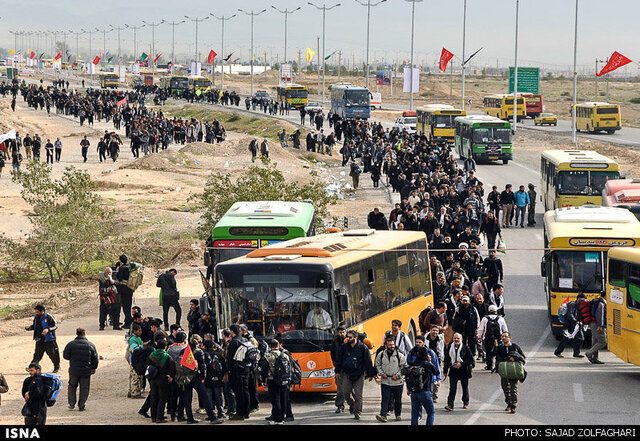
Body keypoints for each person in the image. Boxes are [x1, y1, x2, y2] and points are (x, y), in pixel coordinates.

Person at [334, 329, 375, 420]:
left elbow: (368, 361)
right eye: (347, 337)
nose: (348, 339)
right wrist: (337, 372)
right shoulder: (344, 347)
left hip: (359, 374)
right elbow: (338, 360)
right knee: (346, 393)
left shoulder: (363, 348)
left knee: (358, 394)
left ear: (355, 338)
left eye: (350, 337)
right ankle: (352, 405)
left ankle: (357, 412)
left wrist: (371, 374)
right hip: (347, 374)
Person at [63, 328, 99, 411]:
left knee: (72, 386)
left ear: (76, 334)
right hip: (86, 371)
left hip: (74, 370)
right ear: (84, 334)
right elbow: (95, 358)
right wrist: (94, 368)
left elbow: (66, 356)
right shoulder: (90, 345)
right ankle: (81, 405)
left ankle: (71, 404)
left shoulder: (70, 344)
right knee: (84, 388)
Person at [405, 344, 440, 425]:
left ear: (418, 354)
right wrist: (430, 361)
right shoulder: (427, 364)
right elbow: (436, 372)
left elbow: (408, 362)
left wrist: (408, 389)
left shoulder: (413, 363)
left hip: (414, 391)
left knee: (414, 414)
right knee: (431, 412)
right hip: (425, 391)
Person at [374, 336, 407, 422]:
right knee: (385, 398)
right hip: (385, 381)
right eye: (389, 345)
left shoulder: (400, 355)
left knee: (398, 399)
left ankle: (398, 414)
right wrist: (381, 373)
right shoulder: (381, 355)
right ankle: (383, 415)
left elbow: (403, 367)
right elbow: (377, 364)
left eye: (393, 344)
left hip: (397, 382)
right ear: (386, 345)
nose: (392, 346)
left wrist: (398, 375)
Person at [494, 332, 526, 413]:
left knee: (513, 388)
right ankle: (508, 403)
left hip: (513, 370)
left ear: (509, 338)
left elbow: (522, 357)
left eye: (505, 336)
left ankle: (513, 405)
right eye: (502, 336)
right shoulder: (501, 347)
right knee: (505, 387)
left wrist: (514, 358)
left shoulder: (514, 347)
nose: (504, 338)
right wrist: (495, 347)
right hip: (504, 371)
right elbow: (495, 356)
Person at [225, 324, 252, 421]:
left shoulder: (234, 342)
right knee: (246, 390)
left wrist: (228, 370)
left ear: (232, 331)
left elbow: (230, 358)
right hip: (246, 369)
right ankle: (247, 412)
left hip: (236, 370)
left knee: (238, 392)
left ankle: (240, 413)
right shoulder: (245, 340)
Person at [443, 332, 475, 411]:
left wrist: (461, 364)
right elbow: (447, 359)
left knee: (465, 387)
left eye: (458, 338)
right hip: (453, 371)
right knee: (452, 388)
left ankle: (465, 402)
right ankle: (450, 405)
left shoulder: (466, 348)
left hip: (464, 371)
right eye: (455, 338)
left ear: (461, 339)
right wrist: (445, 370)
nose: (456, 340)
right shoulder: (449, 347)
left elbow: (471, 361)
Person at [262, 339, 290, 425]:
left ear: (270, 346)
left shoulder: (268, 356)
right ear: (278, 345)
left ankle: (277, 419)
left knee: (275, 400)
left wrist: (263, 380)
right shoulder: (285, 355)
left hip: (272, 380)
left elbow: (264, 369)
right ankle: (282, 418)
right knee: (283, 399)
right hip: (284, 380)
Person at [25, 304, 61, 373]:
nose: (36, 313)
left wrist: (48, 329)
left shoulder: (48, 317)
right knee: (37, 355)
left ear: (42, 311)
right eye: (36, 312)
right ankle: (32, 368)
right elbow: (34, 326)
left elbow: (55, 326)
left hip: (49, 340)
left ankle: (57, 367)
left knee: (53, 354)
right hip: (39, 340)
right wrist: (30, 328)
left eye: (38, 312)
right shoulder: (36, 317)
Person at [148, 339, 176, 423]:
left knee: (154, 397)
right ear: (165, 347)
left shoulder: (152, 355)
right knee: (162, 399)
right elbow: (172, 368)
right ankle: (159, 417)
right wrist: (171, 376)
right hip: (163, 379)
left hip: (153, 379)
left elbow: (148, 366)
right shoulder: (167, 357)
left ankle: (153, 416)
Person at [477, 305, 509, 370]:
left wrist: (479, 337)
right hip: (498, 338)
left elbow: (481, 329)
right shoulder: (500, 318)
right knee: (498, 352)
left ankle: (489, 366)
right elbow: (505, 329)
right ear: (496, 311)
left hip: (488, 338)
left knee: (488, 352)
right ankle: (497, 366)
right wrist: (505, 337)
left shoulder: (485, 318)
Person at [554, 294, 586, 359]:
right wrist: (575, 321)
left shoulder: (579, 306)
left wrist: (580, 321)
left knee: (580, 338)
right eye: (582, 300)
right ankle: (558, 351)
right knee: (566, 338)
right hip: (570, 324)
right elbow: (570, 315)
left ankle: (576, 353)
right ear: (578, 298)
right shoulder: (572, 304)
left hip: (576, 325)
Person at [586, 293, 607, 364]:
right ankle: (589, 353)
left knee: (595, 341)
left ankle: (594, 358)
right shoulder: (601, 303)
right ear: (605, 296)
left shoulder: (596, 301)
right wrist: (600, 325)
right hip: (597, 324)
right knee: (602, 341)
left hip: (592, 323)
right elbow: (600, 315)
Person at [330, 326, 347, 413]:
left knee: (351, 390)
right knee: (340, 389)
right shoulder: (335, 342)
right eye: (340, 332)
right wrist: (336, 366)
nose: (341, 334)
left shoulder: (349, 341)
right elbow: (332, 354)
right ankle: (340, 405)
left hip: (349, 369)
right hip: (339, 369)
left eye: (343, 332)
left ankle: (354, 406)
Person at [127, 323, 146, 400]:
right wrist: (142, 347)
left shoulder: (137, 338)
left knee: (133, 376)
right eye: (139, 330)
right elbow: (135, 349)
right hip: (135, 361)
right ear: (135, 331)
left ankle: (131, 391)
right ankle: (135, 393)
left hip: (137, 360)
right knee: (136, 377)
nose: (140, 332)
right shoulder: (133, 339)